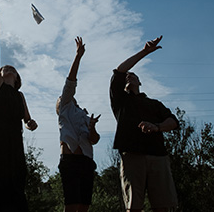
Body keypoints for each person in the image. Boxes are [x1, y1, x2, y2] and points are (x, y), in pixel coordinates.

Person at [110, 35, 179, 212]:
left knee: (165, 205)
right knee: (133, 206)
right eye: (127, 76)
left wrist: (157, 127)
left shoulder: (154, 104)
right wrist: (145, 52)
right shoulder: (120, 101)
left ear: (140, 82)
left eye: (133, 75)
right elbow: (119, 71)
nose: (129, 76)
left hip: (158, 156)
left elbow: (173, 122)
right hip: (132, 156)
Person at [0, 1, 38, 212]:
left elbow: (28, 119)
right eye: (5, 68)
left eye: (11, 68)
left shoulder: (20, 96)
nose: (7, 68)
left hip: (16, 147)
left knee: (16, 190)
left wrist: (31, 123)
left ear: (17, 77)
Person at [56, 36, 101, 212]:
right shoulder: (65, 107)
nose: (61, 98)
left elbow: (94, 140)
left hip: (87, 160)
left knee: (84, 206)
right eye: (60, 98)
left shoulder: (82, 113)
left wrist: (92, 128)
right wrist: (78, 56)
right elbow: (70, 82)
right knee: (72, 204)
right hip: (71, 160)